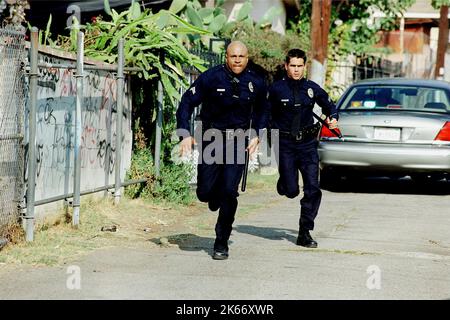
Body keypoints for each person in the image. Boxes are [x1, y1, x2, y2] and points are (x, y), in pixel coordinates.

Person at [176, 41, 269, 260]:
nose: (237, 60)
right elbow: (187, 102)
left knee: (229, 191)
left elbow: (264, 110)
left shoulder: (257, 81)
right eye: (233, 56)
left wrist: (256, 133)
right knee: (204, 193)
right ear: (226, 57)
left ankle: (221, 240)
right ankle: (212, 195)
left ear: (247, 58)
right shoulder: (211, 77)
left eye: (242, 56)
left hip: (238, 140)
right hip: (212, 138)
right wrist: (184, 133)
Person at [267, 49, 339, 248]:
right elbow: (264, 114)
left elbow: (329, 105)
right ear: (286, 66)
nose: (296, 70)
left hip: (308, 145)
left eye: (300, 66)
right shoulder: (276, 89)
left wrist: (333, 118)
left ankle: (304, 231)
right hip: (285, 145)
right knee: (291, 191)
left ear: (304, 67)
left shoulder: (312, 88)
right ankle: (284, 182)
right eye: (293, 66)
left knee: (313, 189)